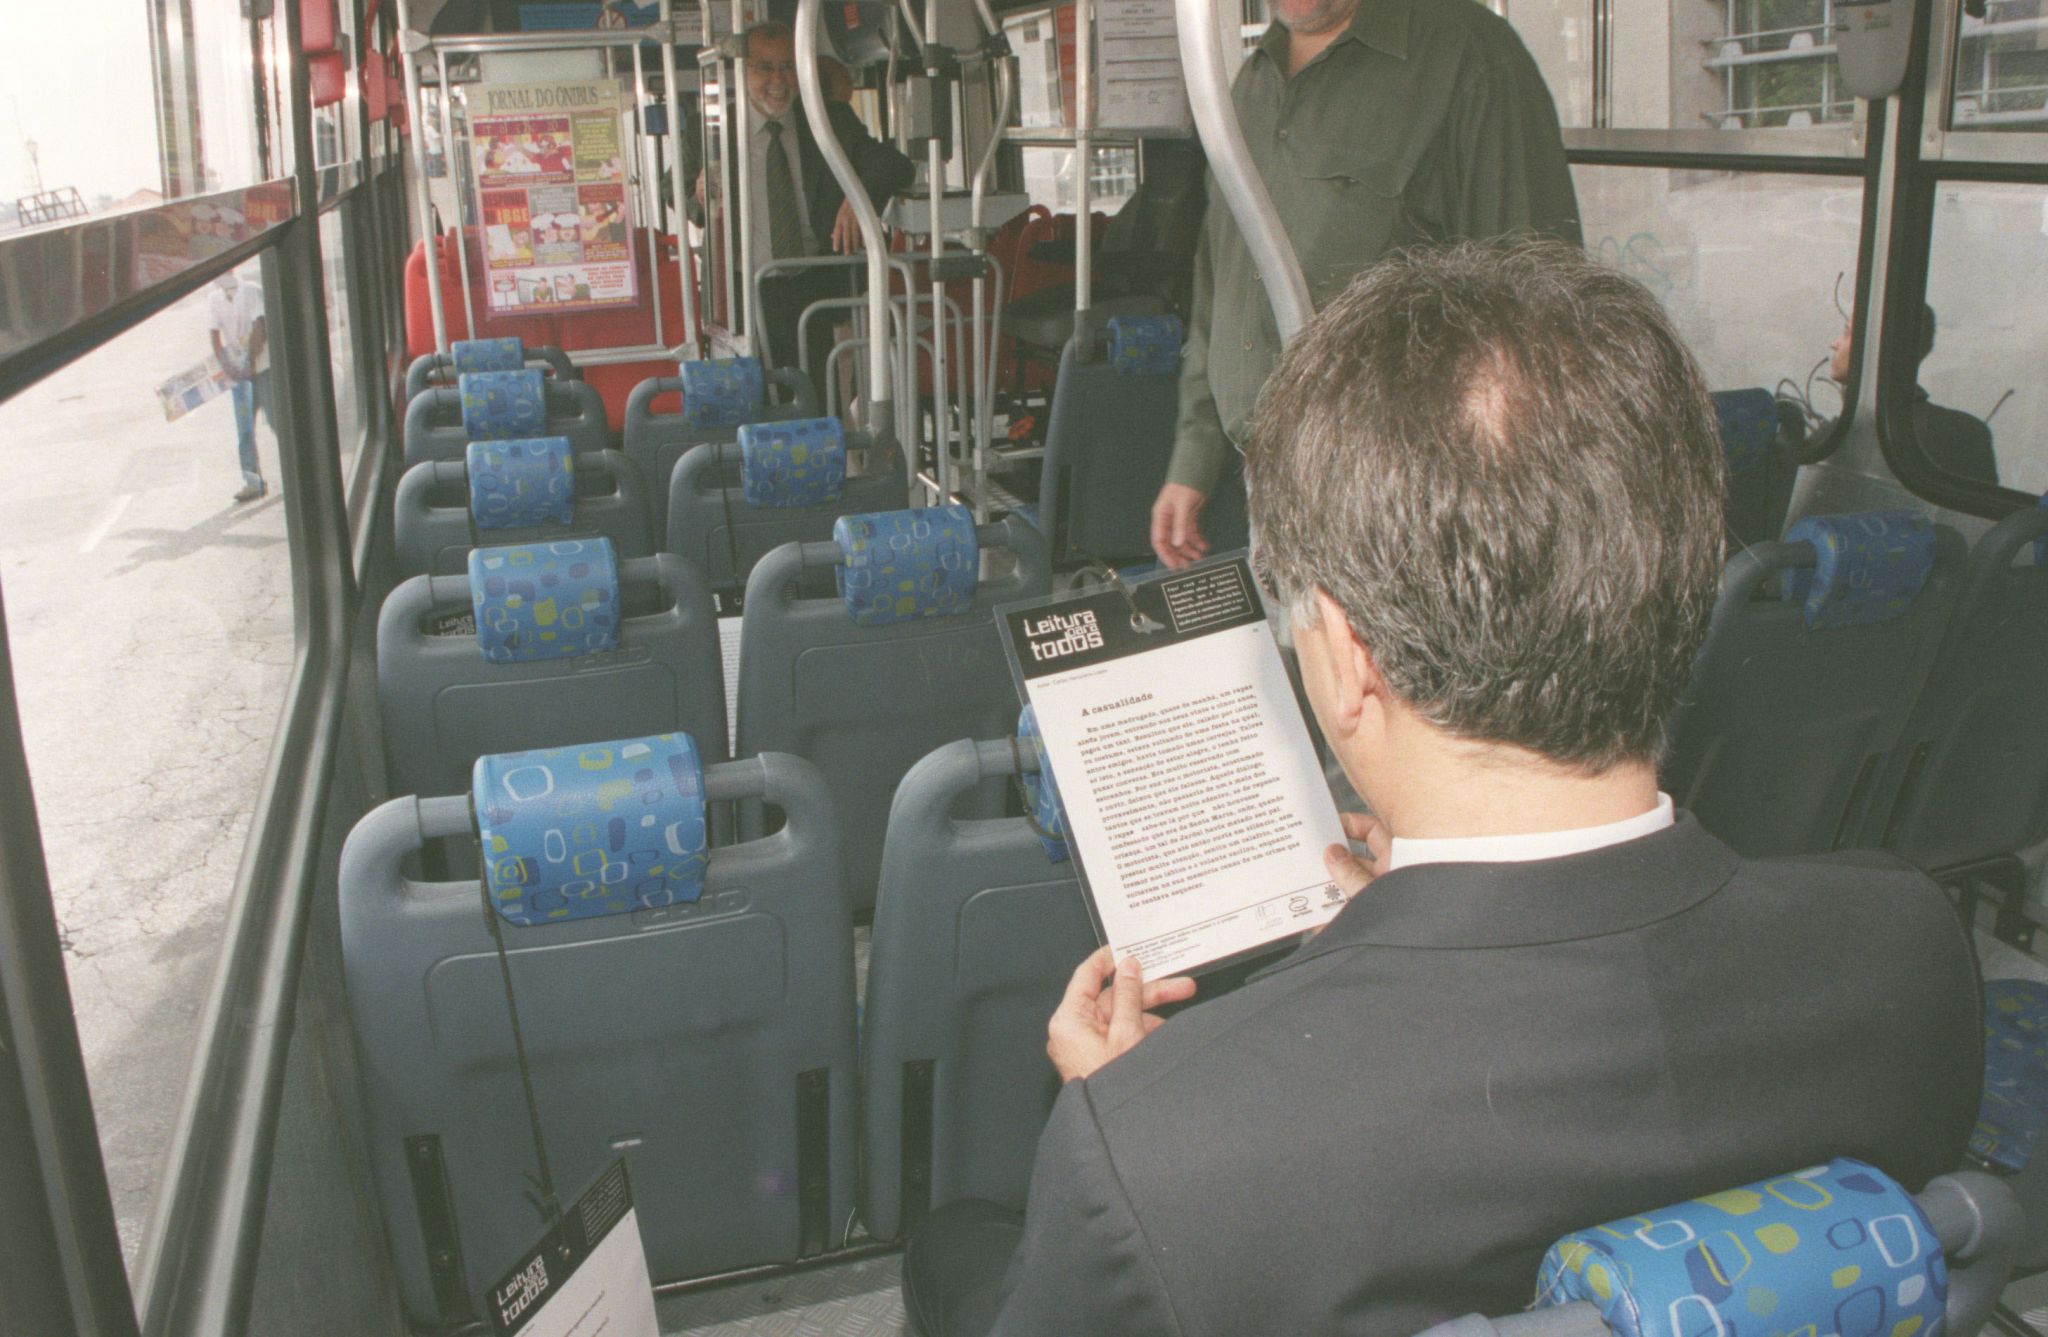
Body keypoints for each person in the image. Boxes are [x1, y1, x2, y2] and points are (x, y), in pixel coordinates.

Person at [901, 241, 1982, 1337]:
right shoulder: (1907, 949)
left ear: (1349, 657)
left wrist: (1133, 1109)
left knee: (955, 1239)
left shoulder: (1156, 1149)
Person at [1150, 0, 1582, 568]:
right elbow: (1221, 282)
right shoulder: (1252, 83)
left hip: (1407, 494)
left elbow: (1534, 301)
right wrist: (1194, 457)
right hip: (1270, 483)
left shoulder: (1467, 56)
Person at [685, 23, 914, 378]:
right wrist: (699, 197)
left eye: (788, 66)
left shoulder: (826, 120)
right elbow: (676, 185)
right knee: (752, 406)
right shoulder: (714, 127)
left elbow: (893, 165)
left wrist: (858, 197)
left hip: (813, 285)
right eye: (765, 67)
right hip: (742, 290)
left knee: (818, 402)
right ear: (743, 70)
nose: (778, 80)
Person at [1828, 304, 1997, 486]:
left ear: (1876, 346)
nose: (1834, 344)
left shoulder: (1840, 436)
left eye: (1847, 333)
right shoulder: (1969, 433)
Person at [208, 271, 271, 503]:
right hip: (238, 376)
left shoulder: (251, 290)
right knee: (245, 430)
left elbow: (260, 328)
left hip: (262, 369)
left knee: (276, 421)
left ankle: (296, 469)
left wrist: (250, 362)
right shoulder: (214, 299)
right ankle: (253, 482)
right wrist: (227, 365)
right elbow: (214, 334)